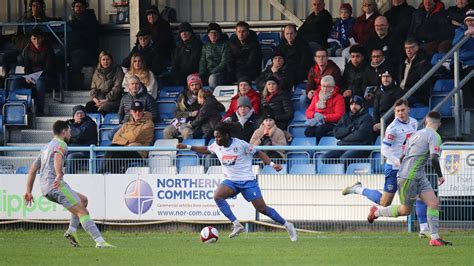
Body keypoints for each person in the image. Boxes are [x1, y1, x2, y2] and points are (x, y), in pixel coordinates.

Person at [176, 122, 297, 241]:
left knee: (262, 209)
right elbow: (206, 149)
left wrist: (272, 164)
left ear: (226, 136)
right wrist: (187, 147)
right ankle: (236, 224)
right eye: (215, 137)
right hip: (231, 181)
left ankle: (287, 225)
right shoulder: (217, 145)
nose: (216, 139)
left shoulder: (241, 145)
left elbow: (258, 152)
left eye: (218, 137)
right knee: (218, 196)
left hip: (247, 181)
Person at [344, 99, 431, 238]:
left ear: (408, 109)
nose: (400, 113)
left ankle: (424, 228)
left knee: (420, 193)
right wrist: (397, 161)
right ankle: (358, 189)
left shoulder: (414, 122)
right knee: (385, 202)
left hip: (408, 167)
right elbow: (384, 149)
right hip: (394, 167)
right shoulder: (392, 128)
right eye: (397, 111)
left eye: (403, 110)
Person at [366, 111, 453, 247]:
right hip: (409, 177)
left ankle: (435, 238)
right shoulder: (434, 136)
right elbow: (434, 157)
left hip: (418, 175)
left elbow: (402, 155)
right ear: (439, 124)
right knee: (405, 210)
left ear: (425, 121)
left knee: (433, 203)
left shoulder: (414, 135)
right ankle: (376, 212)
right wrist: (440, 176)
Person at [24, 120, 114, 248]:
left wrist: (28, 191)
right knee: (83, 212)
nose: (71, 134)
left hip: (46, 188)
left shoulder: (45, 147)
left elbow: (33, 169)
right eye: (69, 131)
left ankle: (72, 231)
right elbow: (57, 157)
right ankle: (100, 242)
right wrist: (59, 174)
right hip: (56, 185)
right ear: (63, 131)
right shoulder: (61, 144)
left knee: (83, 201)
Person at [10, 28, 55, 115]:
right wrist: (27, 76)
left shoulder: (48, 50)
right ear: (31, 39)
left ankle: (39, 109)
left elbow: (49, 68)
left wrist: (36, 76)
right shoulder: (28, 50)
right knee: (15, 82)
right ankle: (18, 108)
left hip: (45, 76)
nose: (37, 41)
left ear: (42, 38)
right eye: (34, 39)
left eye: (39, 38)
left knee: (40, 82)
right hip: (31, 76)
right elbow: (27, 67)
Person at [102, 101, 154, 174]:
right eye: (135, 111)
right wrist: (128, 140)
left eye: (139, 110)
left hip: (139, 152)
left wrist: (123, 136)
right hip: (125, 149)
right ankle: (113, 175)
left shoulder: (148, 124)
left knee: (114, 150)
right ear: (131, 112)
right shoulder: (127, 124)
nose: (137, 113)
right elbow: (115, 138)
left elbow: (135, 136)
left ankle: (103, 172)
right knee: (113, 150)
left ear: (143, 111)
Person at [320, 95, 373, 163]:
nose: (353, 106)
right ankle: (336, 173)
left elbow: (360, 135)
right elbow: (336, 133)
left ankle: (347, 172)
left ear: (361, 106)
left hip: (360, 147)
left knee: (345, 158)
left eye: (356, 104)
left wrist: (343, 138)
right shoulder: (346, 116)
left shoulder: (367, 117)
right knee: (325, 158)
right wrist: (349, 129)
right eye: (352, 104)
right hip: (343, 146)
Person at [68, 0, 99, 90]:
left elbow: (88, 34)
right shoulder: (73, 20)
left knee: (77, 60)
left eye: (80, 6)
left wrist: (74, 24)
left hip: (86, 50)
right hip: (71, 50)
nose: (78, 8)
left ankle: (76, 87)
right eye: (76, 6)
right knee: (59, 57)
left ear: (85, 8)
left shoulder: (90, 19)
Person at [305, 75, 345, 142]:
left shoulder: (339, 98)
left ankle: (318, 148)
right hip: (317, 120)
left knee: (320, 130)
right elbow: (308, 111)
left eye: (328, 86)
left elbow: (339, 115)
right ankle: (312, 149)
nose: (325, 89)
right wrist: (314, 114)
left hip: (332, 123)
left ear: (332, 87)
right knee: (308, 131)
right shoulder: (316, 96)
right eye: (323, 86)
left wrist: (324, 117)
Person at [163, 74, 202, 140]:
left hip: (195, 124)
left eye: (196, 84)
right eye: (192, 85)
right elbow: (176, 113)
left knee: (186, 132)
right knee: (167, 131)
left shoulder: (204, 95)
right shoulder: (183, 96)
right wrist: (190, 114)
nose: (194, 87)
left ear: (200, 85)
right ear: (189, 87)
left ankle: (186, 150)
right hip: (181, 122)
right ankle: (172, 150)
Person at [399, 39, 432, 105]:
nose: (408, 50)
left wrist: (407, 91)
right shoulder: (402, 62)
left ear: (417, 48)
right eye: (406, 48)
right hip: (402, 92)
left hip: (416, 94)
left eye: (411, 47)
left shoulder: (423, 62)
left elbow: (423, 84)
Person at [452, 9, 474, 108]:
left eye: (472, 20)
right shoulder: (460, 31)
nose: (470, 22)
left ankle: (469, 107)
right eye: (468, 20)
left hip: (471, 63)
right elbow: (455, 44)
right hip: (460, 63)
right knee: (460, 80)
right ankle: (467, 107)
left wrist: (464, 56)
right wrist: (465, 34)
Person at [199, 23, 231, 91]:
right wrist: (202, 74)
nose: (213, 35)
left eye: (215, 33)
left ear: (219, 34)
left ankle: (212, 98)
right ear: (208, 34)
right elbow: (203, 62)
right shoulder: (205, 46)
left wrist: (211, 72)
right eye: (211, 33)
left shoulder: (225, 45)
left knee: (212, 78)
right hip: (208, 72)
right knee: (194, 78)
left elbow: (224, 63)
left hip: (221, 73)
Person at [66, 105, 97, 174]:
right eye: (77, 113)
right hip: (72, 148)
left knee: (71, 157)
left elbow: (80, 134)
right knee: (55, 153)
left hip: (86, 150)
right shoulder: (71, 124)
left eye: (81, 113)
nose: (79, 115)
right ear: (73, 116)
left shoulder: (90, 123)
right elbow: (64, 136)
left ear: (85, 114)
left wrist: (70, 131)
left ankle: (70, 179)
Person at [170, 22, 203, 86]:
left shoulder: (198, 45)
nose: (184, 34)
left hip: (194, 73)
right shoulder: (179, 47)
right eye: (181, 32)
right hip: (181, 74)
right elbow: (175, 63)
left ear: (191, 33)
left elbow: (194, 63)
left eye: (186, 31)